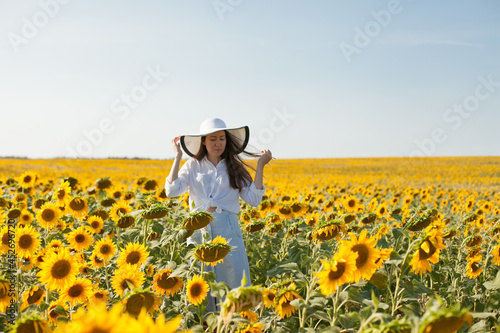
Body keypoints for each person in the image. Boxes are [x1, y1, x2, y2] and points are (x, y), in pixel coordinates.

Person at [165, 118, 273, 312]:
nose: (218, 143)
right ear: (203, 141)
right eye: (213, 139)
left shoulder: (235, 167)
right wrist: (177, 157)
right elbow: (172, 190)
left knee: (234, 281)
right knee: (201, 283)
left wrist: (260, 166)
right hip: (199, 230)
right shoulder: (192, 165)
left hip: (228, 227)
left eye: (222, 138)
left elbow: (254, 199)